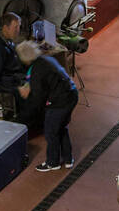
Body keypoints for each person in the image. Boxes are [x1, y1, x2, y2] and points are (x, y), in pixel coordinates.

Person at [16, 39, 79, 172]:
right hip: (71, 94)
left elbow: (38, 99)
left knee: (51, 131)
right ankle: (68, 158)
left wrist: (26, 101)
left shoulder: (37, 70)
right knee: (61, 127)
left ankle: (52, 162)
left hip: (60, 101)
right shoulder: (45, 60)